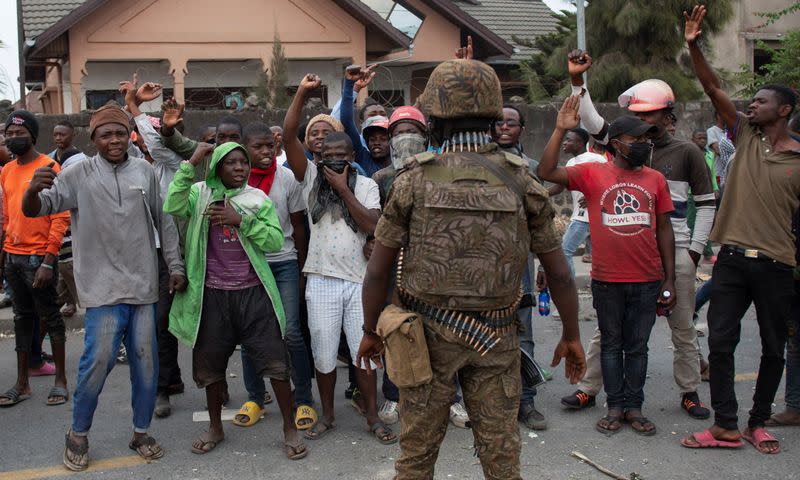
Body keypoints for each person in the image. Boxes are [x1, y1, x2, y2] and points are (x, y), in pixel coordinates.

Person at [357, 59, 586, 479]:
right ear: (494, 116)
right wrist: (571, 335)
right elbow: (560, 272)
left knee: (416, 458)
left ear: (436, 120)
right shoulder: (522, 180)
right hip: (495, 337)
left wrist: (371, 331)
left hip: (424, 337)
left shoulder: (412, 180)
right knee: (501, 459)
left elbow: (376, 272)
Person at [22, 104, 186, 471]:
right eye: (105, 134)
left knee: (146, 365)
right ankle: (78, 433)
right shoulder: (76, 174)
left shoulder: (144, 171)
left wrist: (174, 265)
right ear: (93, 139)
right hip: (102, 288)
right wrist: (32, 191)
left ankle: (141, 432)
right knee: (97, 363)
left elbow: (166, 221)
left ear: (129, 135)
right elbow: (38, 209)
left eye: (119, 133)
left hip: (143, 286)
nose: (114, 140)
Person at [561, 53, 713, 420]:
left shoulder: (687, 152)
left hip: (674, 249)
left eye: (650, 115)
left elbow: (707, 203)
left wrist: (692, 252)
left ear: (668, 116)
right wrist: (578, 84)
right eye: (638, 115)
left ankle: (689, 391)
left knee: (682, 326)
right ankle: (588, 389)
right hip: (627, 253)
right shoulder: (621, 144)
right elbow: (590, 118)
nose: (643, 121)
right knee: (607, 330)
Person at [680, 5, 800, 454]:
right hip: (730, 259)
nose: (754, 104)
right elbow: (712, 87)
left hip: (776, 265)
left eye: (764, 100)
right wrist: (693, 45)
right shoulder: (745, 135)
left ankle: (757, 422)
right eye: (753, 101)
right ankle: (726, 425)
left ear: (784, 109)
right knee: (722, 340)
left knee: (773, 347)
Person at [539, 100, 677, 436]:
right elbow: (545, 173)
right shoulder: (591, 172)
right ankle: (615, 406)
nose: (645, 144)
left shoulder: (656, 179)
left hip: (647, 280)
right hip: (607, 280)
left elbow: (663, 229)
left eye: (648, 139)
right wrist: (559, 129)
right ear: (617, 143)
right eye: (638, 139)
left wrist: (669, 278)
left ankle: (635, 407)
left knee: (638, 347)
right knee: (612, 345)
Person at [164, 141, 307, 460]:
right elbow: (173, 205)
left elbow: (273, 240)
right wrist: (190, 163)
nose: (239, 167)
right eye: (231, 162)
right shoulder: (200, 193)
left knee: (276, 364)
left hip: (254, 294)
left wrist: (239, 220)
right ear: (216, 166)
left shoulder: (257, 198)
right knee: (210, 367)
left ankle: (289, 428)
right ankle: (216, 427)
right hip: (211, 296)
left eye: (243, 162)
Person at [284, 74, 395, 445]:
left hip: (360, 283)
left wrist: (344, 189)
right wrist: (301, 93)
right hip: (321, 280)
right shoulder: (310, 179)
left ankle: (373, 416)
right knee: (324, 353)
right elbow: (288, 138)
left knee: (366, 352)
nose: (333, 161)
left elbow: (373, 225)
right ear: (317, 157)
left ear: (352, 157)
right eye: (326, 156)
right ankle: (328, 416)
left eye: (341, 157)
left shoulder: (364, 184)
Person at [233, 122, 316, 432]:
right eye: (258, 147)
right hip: (250, 265)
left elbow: (297, 226)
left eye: (270, 145)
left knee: (292, 332)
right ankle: (256, 397)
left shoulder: (287, 179)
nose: (266, 151)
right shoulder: (235, 182)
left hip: (283, 262)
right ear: (245, 150)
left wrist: (301, 266)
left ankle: (304, 398)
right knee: (250, 334)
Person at [122, 79, 188, 418]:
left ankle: (162, 388)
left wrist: (136, 108)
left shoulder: (172, 164)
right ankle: (171, 378)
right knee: (150, 322)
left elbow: (155, 143)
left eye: (164, 130)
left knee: (162, 320)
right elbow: (119, 140)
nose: (148, 143)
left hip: (169, 255)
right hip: (138, 254)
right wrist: (129, 105)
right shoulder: (135, 162)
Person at [0, 110, 70, 408]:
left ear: (32, 135)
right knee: (21, 319)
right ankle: (22, 383)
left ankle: (61, 381)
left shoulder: (49, 167)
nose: (14, 139)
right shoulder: (6, 171)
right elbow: (6, 217)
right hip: (13, 257)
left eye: (20, 134)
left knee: (51, 317)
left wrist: (48, 259)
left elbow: (60, 215)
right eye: (9, 134)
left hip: (38, 257)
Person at [490, 103, 552, 430]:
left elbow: (542, 220)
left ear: (522, 130)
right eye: (498, 122)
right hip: (482, 266)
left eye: (511, 123)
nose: (504, 127)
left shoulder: (531, 168)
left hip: (521, 265)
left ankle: (525, 401)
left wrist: (542, 262)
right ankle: (489, 402)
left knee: (522, 329)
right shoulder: (477, 163)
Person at [546, 128, 606, 277]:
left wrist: (594, 195)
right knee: (596, 257)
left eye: (569, 140)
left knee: (564, 251)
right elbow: (560, 187)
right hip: (582, 216)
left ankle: (570, 288)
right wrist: (538, 193)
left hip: (586, 216)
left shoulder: (596, 159)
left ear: (579, 143)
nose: (564, 143)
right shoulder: (571, 162)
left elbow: (611, 181)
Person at [340, 66, 390, 176]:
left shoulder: (403, 161)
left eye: (383, 138)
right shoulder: (363, 158)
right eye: (372, 139)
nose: (377, 142)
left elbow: (435, 148)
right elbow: (346, 120)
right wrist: (349, 84)